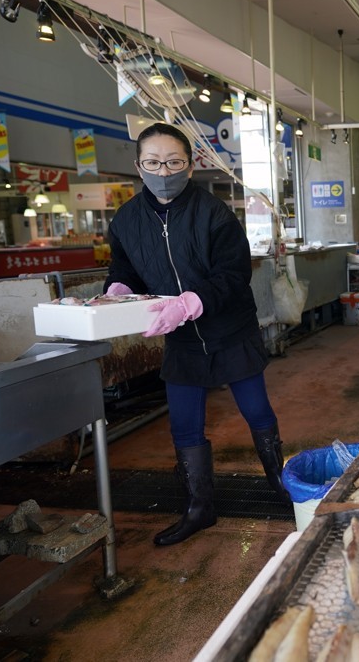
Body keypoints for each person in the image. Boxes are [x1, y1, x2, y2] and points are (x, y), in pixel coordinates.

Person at [104, 122, 286, 546]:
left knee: (257, 411)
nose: (163, 170)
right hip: (182, 340)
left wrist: (190, 302)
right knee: (185, 426)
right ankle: (199, 507)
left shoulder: (215, 213)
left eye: (173, 162)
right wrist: (119, 290)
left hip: (230, 329)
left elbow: (234, 274)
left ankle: (280, 484)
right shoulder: (127, 219)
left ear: (190, 166)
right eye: (153, 162)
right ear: (138, 166)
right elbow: (124, 267)